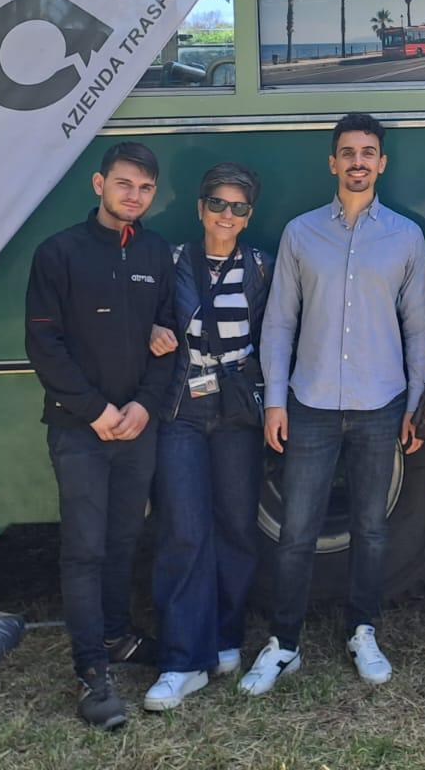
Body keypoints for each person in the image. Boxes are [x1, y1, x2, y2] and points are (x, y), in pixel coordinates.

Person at [241, 113, 425, 696]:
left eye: (368, 152)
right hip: (311, 403)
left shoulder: (404, 235)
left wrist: (416, 404)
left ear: (382, 163)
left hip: (381, 403)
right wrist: (276, 402)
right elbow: (278, 324)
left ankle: (363, 629)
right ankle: (284, 644)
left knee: (372, 529)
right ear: (332, 162)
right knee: (297, 531)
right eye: (347, 152)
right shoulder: (301, 234)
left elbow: (418, 328)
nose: (358, 162)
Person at [23, 141, 177, 730]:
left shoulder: (158, 253)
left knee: (122, 540)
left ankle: (116, 637)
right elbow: (44, 344)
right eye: (123, 185)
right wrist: (94, 411)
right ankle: (91, 672)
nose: (133, 196)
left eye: (143, 188)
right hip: (79, 430)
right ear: (98, 185)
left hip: (137, 427)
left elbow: (167, 338)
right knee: (83, 550)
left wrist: (144, 406)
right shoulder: (58, 253)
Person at [142, 162, 274, 711]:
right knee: (184, 530)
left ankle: (224, 640)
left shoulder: (261, 267)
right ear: (200, 209)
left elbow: (278, 334)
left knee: (237, 527)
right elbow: (138, 314)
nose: (226, 215)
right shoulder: (172, 262)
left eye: (238, 207)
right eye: (217, 204)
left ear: (249, 216)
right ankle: (181, 660)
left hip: (239, 412)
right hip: (183, 411)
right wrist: (149, 330)